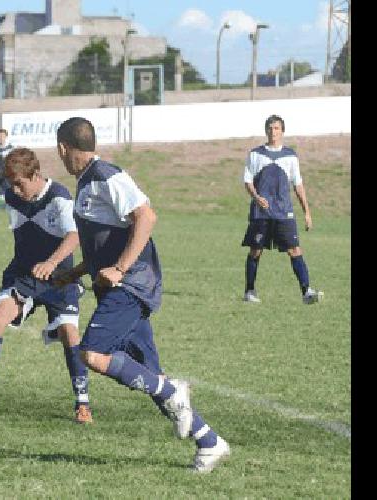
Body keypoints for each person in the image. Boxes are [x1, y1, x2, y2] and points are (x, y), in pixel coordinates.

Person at [52, 117, 230, 473]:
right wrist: (74, 272)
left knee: (93, 353)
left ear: (63, 148)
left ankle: (173, 390)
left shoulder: (105, 174)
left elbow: (146, 217)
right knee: (149, 375)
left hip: (131, 285)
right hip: (118, 286)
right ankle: (210, 441)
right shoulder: (88, 183)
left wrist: (119, 269)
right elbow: (105, 242)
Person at [0, 147, 94, 424]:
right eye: (10, 184)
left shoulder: (59, 197)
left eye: (19, 183)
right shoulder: (11, 197)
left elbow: (75, 235)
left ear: (35, 174)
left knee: (69, 333)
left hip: (59, 277)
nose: (15, 191)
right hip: (25, 275)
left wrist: (52, 263)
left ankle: (83, 403)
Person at [241, 114, 323, 305]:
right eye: (270, 128)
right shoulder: (255, 154)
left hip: (284, 212)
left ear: (282, 131)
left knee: (295, 250)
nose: (273, 131)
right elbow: (247, 181)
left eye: (277, 128)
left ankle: (306, 292)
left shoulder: (290, 156)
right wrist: (256, 197)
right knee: (255, 251)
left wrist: (307, 212)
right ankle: (249, 291)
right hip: (261, 213)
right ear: (266, 131)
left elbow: (298, 185)